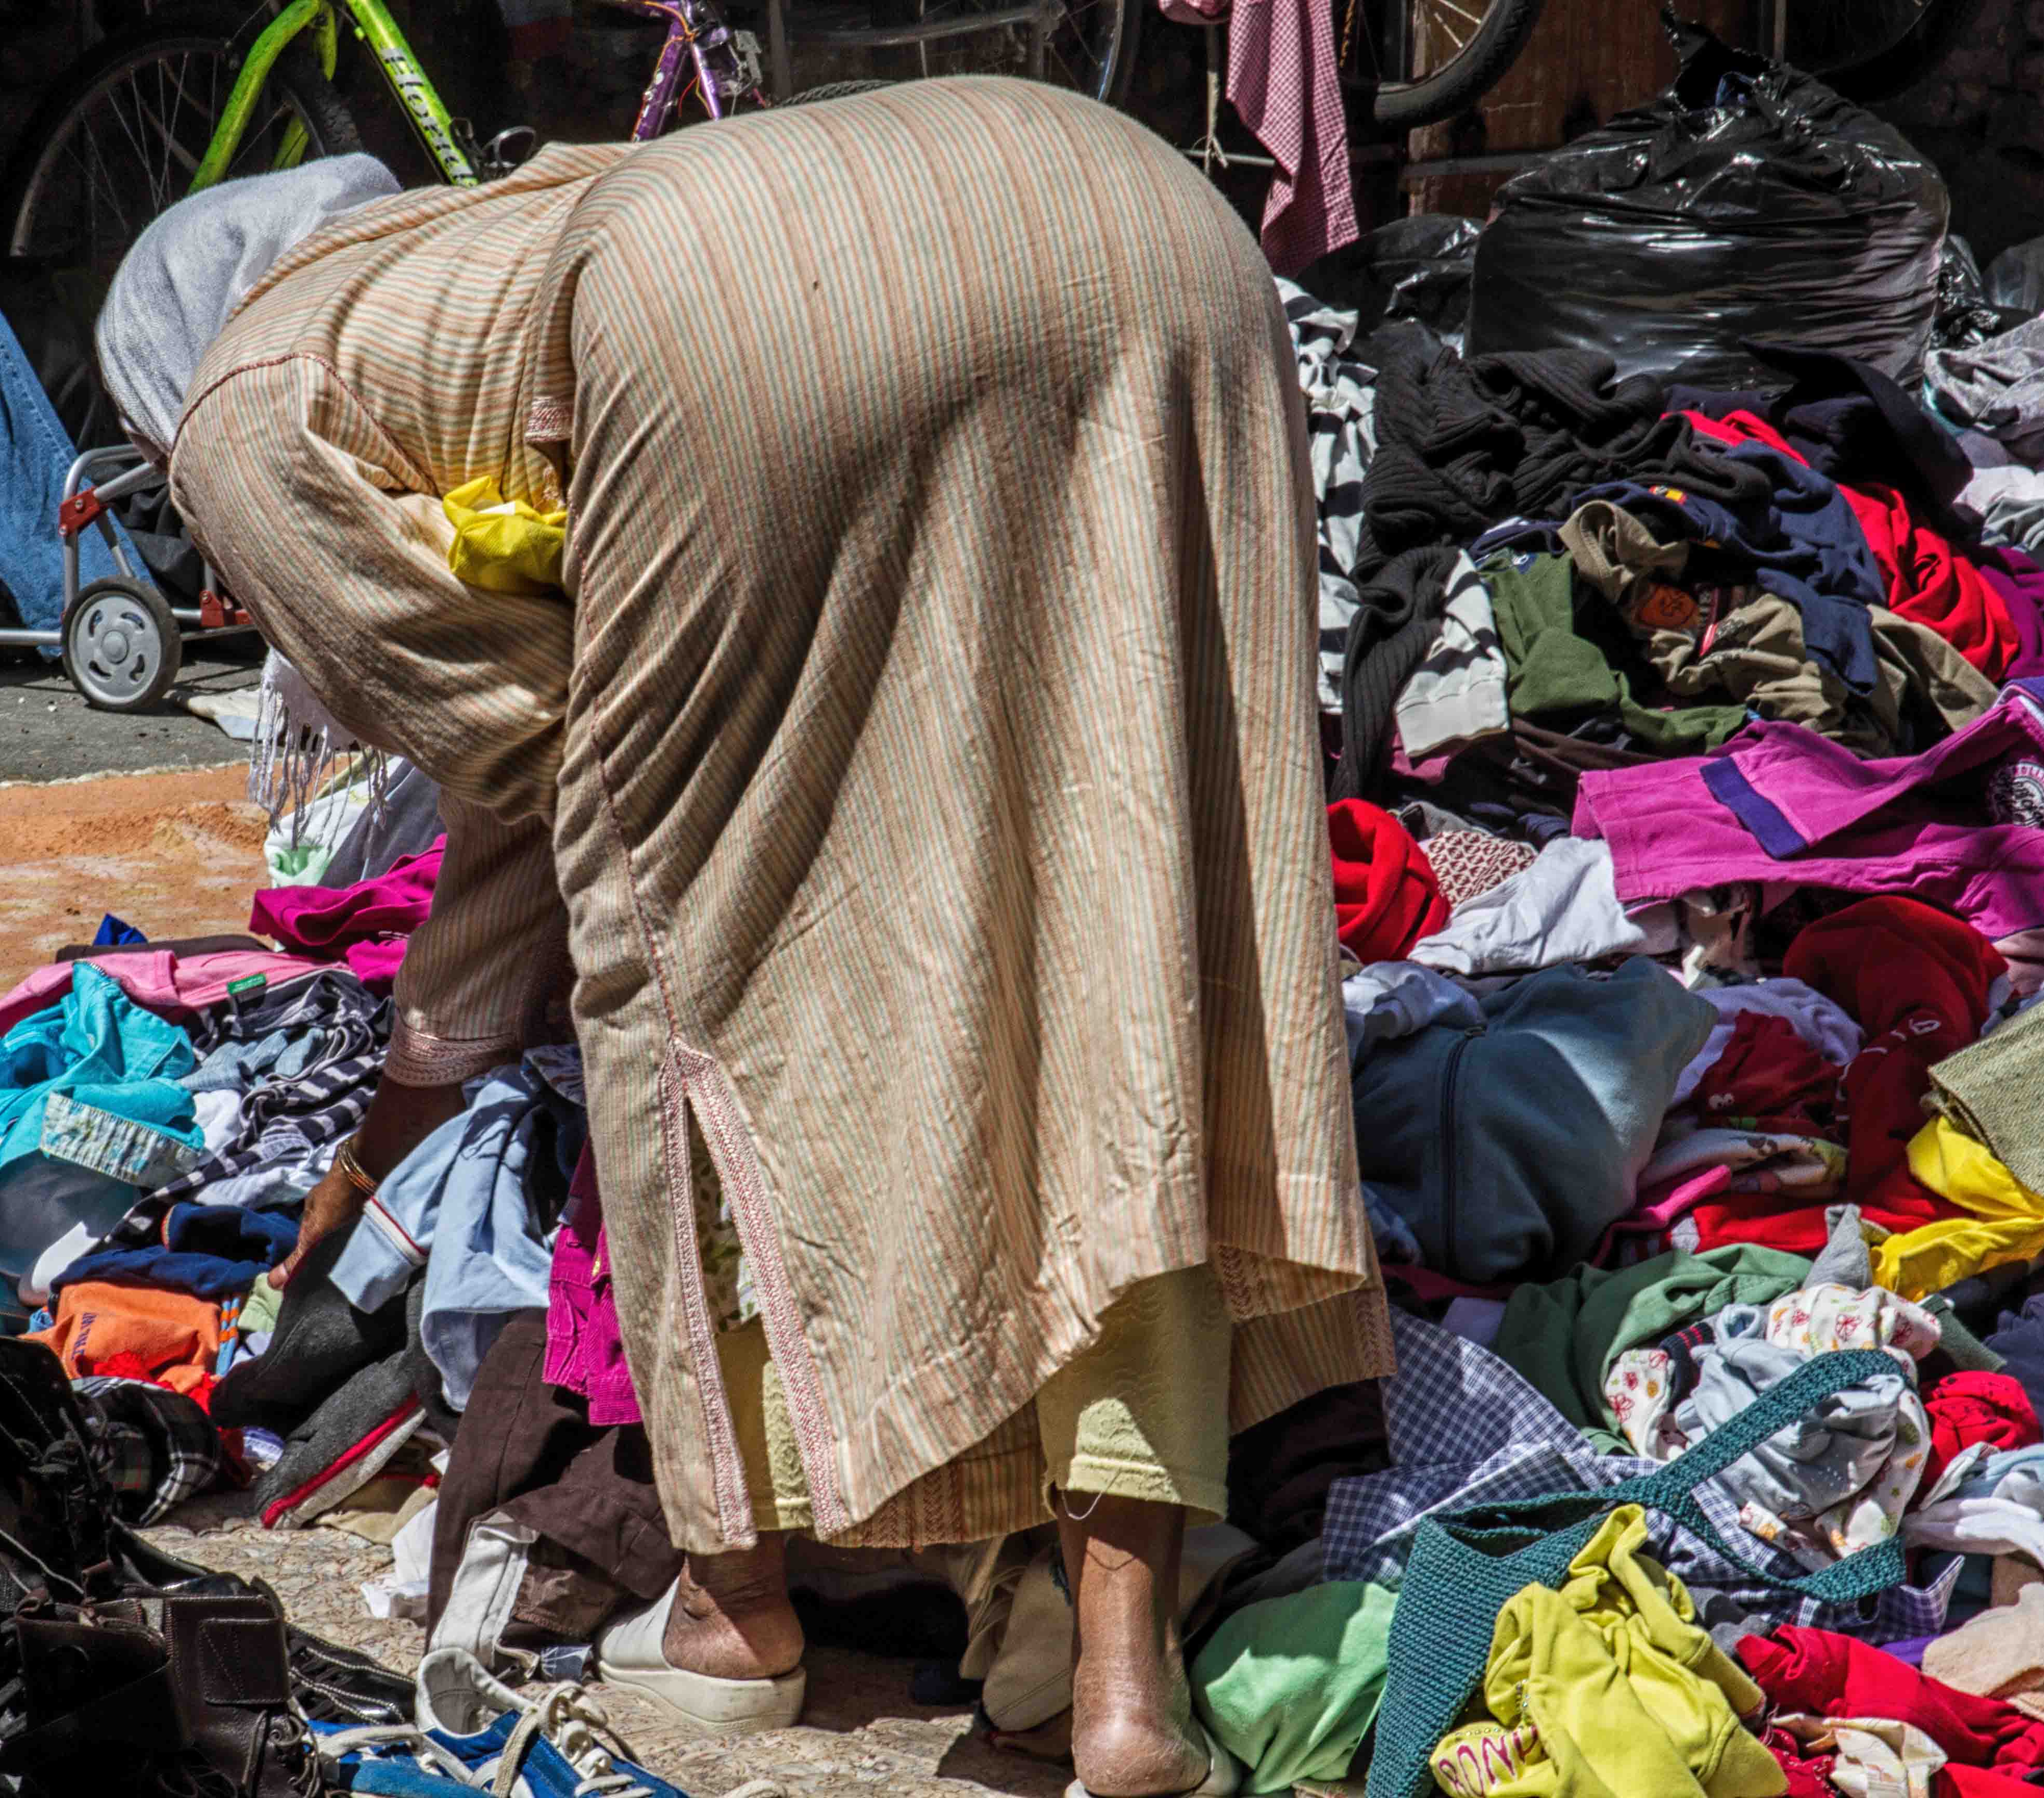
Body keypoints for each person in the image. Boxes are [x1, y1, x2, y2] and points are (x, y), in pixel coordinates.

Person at [139, 78, 1387, 1798]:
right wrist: (414, 1081)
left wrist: (385, 1144)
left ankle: (737, 1609)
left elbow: (549, 764)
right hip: (1145, 216)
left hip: (756, 317)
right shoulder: (468, 238)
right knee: (1125, 948)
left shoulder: (233, 408)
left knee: (681, 951)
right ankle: (1118, 1690)